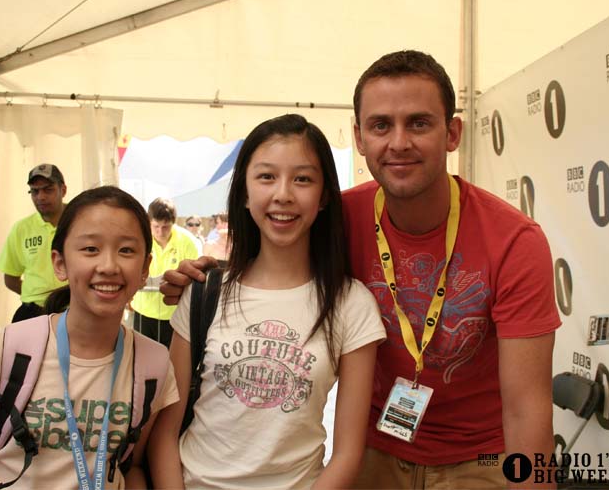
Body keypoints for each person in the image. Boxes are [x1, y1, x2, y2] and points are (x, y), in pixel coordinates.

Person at [161, 51, 560, 489]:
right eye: (381, 125)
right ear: (359, 136)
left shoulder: (514, 242)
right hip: (377, 451)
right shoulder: (339, 218)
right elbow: (270, 260)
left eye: (420, 123)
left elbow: (527, 409)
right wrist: (205, 276)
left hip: (480, 459)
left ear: (453, 132)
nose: (399, 142)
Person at [149, 114, 385, 489]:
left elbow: (347, 454)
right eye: (266, 176)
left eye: (303, 178)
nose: (283, 194)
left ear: (324, 196)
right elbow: (164, 434)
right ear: (244, 191)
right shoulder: (205, 292)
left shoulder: (351, 303)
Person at [0, 186, 179, 490]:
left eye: (126, 250)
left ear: (144, 269)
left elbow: (132, 465)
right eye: (90, 249)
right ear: (60, 263)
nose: (108, 266)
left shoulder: (153, 364)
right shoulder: (7, 348)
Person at [0, 163, 68, 323]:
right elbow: (10, 278)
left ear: (63, 190)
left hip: (72, 310)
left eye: (48, 190)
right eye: (35, 191)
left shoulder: (80, 220)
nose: (41, 197)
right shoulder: (21, 229)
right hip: (33, 311)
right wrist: (35, 295)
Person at [129, 198, 198, 347]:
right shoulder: (139, 238)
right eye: (156, 226)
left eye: (166, 227)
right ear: (148, 222)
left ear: (174, 222)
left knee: (171, 364)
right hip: (143, 312)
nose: (160, 232)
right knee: (142, 361)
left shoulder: (188, 242)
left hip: (174, 316)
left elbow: (195, 278)